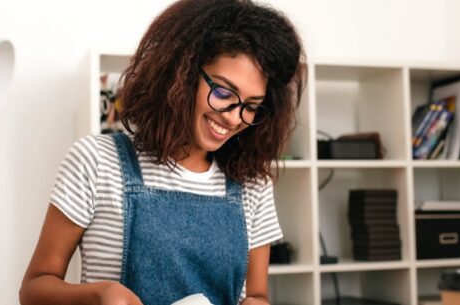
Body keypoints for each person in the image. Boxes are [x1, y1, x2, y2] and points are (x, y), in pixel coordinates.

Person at [19, 0, 304, 304]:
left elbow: (257, 295)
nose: (234, 118)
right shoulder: (96, 161)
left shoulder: (252, 185)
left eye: (250, 106)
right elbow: (34, 290)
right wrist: (101, 294)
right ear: (182, 74)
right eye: (223, 92)